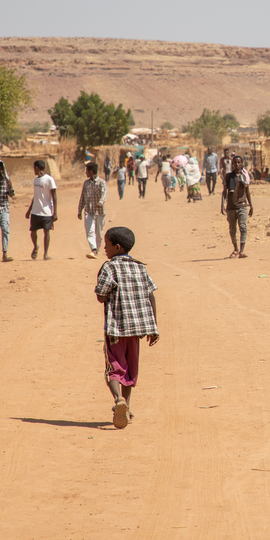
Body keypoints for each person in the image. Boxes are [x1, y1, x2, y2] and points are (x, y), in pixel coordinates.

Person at [94, 226, 159, 429]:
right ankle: (127, 407)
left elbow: (101, 296)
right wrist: (153, 326)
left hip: (115, 328)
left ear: (117, 247)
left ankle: (118, 400)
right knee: (130, 369)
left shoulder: (109, 267)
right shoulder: (140, 267)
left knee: (114, 366)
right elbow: (151, 295)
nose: (105, 248)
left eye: (107, 245)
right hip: (137, 329)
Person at [221, 155, 254, 258]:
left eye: (239, 162)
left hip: (242, 206)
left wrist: (251, 206)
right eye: (235, 163)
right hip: (231, 207)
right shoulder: (228, 176)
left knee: (243, 227)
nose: (237, 164)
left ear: (242, 163)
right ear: (232, 164)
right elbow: (224, 192)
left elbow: (247, 192)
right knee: (232, 230)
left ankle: (242, 251)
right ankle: (235, 249)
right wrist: (222, 205)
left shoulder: (245, 177)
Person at [25, 160, 57, 260]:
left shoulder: (49, 180)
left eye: (34, 168)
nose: (33, 170)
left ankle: (45, 254)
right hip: (35, 211)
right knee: (33, 231)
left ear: (38, 168)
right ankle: (35, 247)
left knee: (46, 231)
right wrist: (29, 210)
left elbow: (54, 196)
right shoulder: (35, 180)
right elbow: (36, 196)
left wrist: (55, 212)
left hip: (47, 211)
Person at [78, 162, 108, 259]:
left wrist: (101, 202)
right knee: (89, 231)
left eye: (87, 171)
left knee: (99, 233)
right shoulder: (86, 183)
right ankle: (94, 250)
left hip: (99, 212)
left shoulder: (102, 182)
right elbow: (83, 197)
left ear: (91, 172)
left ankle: (97, 249)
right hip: (88, 211)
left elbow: (104, 194)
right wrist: (79, 210)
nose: (86, 173)